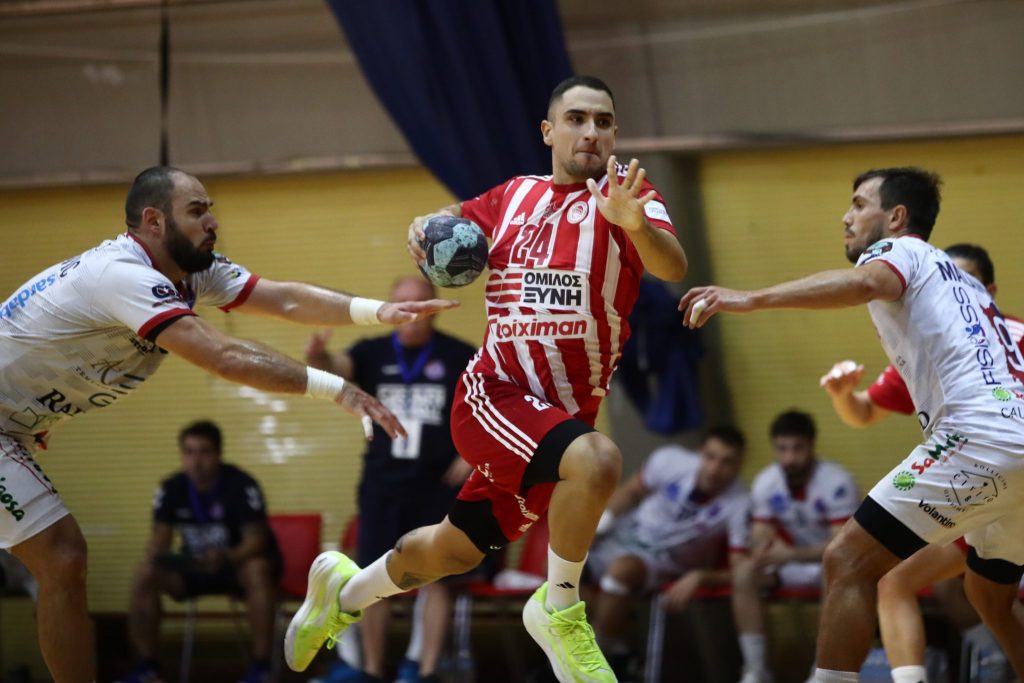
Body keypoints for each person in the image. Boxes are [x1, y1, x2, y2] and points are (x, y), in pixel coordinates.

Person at [285, 74, 689, 682]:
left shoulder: (628, 196)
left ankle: (341, 595)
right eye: (577, 119)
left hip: (560, 423)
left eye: (604, 121)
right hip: (495, 396)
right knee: (601, 461)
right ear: (548, 131)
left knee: (452, 550)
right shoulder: (512, 196)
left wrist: (633, 224)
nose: (591, 132)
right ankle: (559, 611)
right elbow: (439, 223)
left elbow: (672, 265)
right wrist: (424, 230)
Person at [0, 165, 455, 683]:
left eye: (210, 208)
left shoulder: (191, 270)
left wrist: (379, 311)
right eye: (196, 211)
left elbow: (282, 297)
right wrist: (338, 389)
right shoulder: (121, 275)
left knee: (61, 559)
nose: (213, 221)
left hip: (12, 428)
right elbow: (223, 356)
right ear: (153, 221)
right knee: (62, 557)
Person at [680, 167, 1024, 682]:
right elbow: (866, 408)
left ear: (896, 216)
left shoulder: (901, 251)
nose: (847, 216)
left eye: (859, 204)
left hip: (981, 438)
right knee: (988, 594)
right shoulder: (970, 290)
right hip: (1013, 441)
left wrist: (749, 299)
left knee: (848, 561)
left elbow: (865, 283)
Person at [820, 243, 1024, 683]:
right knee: (985, 594)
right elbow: (864, 412)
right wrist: (841, 395)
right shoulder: (929, 342)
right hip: (996, 476)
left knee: (876, 570)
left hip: (995, 462)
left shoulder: (994, 339)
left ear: (985, 292)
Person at [304, 275, 476, 683]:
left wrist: (471, 456)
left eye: (420, 303)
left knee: (440, 579)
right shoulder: (370, 351)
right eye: (404, 303)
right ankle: (373, 671)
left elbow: (485, 411)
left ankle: (429, 671)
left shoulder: (459, 355)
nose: (413, 313)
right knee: (375, 578)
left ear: (433, 307)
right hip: (383, 483)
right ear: (391, 308)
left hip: (438, 485)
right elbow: (335, 370)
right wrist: (317, 355)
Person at [120, 421, 281, 683]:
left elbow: (257, 540)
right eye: (189, 452)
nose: (196, 461)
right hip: (193, 569)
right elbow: (160, 537)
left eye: (204, 452)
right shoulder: (171, 488)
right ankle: (147, 667)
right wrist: (156, 554)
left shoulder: (241, 484)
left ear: (218, 454)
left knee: (258, 568)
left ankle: (261, 667)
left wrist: (226, 557)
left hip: (234, 568)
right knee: (144, 573)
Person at [588, 427, 750, 675]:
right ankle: (618, 647)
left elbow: (741, 566)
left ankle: (592, 663)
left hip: (664, 559)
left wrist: (702, 576)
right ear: (699, 453)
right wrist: (600, 525)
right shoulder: (669, 460)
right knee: (558, 565)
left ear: (739, 465)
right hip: (627, 533)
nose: (715, 469)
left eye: (726, 462)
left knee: (621, 570)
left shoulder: (739, 503)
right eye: (710, 457)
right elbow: (630, 492)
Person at [731, 410, 859, 683]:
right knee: (743, 574)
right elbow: (758, 534)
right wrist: (762, 547)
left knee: (836, 574)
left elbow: (841, 546)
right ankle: (755, 670)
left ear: (811, 445)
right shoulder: (767, 481)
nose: (789, 458)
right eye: (782, 449)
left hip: (829, 564)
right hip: (788, 564)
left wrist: (791, 553)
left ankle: (821, 669)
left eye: (797, 448)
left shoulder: (837, 481)